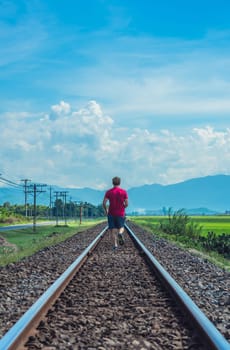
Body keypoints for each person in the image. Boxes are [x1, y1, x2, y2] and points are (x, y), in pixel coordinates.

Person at [103, 176, 128, 249]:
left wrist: (106, 210)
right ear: (119, 183)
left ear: (112, 182)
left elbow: (104, 203)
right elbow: (126, 203)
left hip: (111, 213)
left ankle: (115, 245)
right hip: (120, 213)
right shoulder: (123, 192)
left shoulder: (109, 192)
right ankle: (120, 233)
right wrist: (123, 207)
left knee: (112, 230)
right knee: (121, 227)